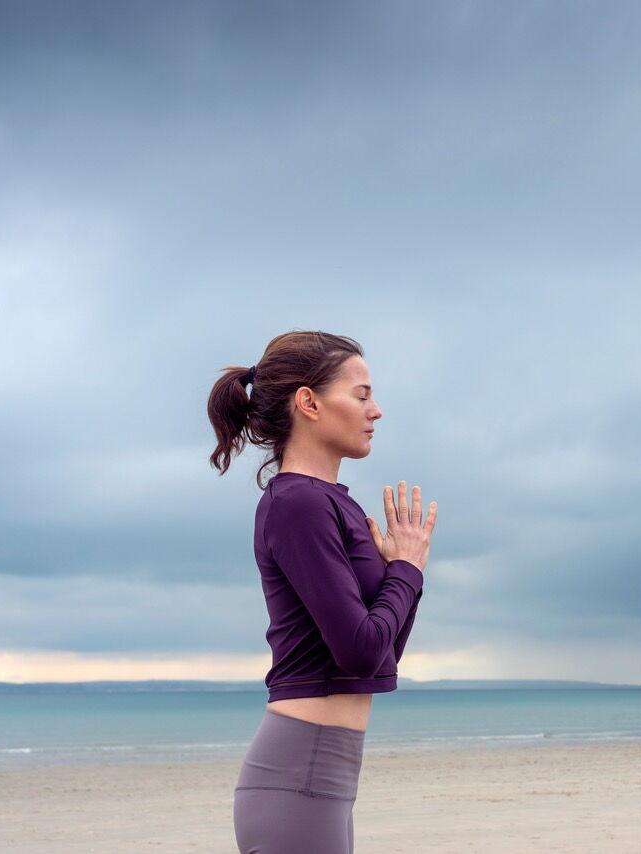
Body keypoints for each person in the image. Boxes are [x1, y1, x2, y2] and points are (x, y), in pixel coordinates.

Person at [207, 330, 438, 854]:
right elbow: (359, 653)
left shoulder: (332, 504)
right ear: (308, 402)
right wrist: (403, 569)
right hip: (299, 779)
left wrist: (407, 574)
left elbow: (379, 659)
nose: (375, 410)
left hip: (322, 780)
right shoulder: (298, 503)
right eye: (361, 395)